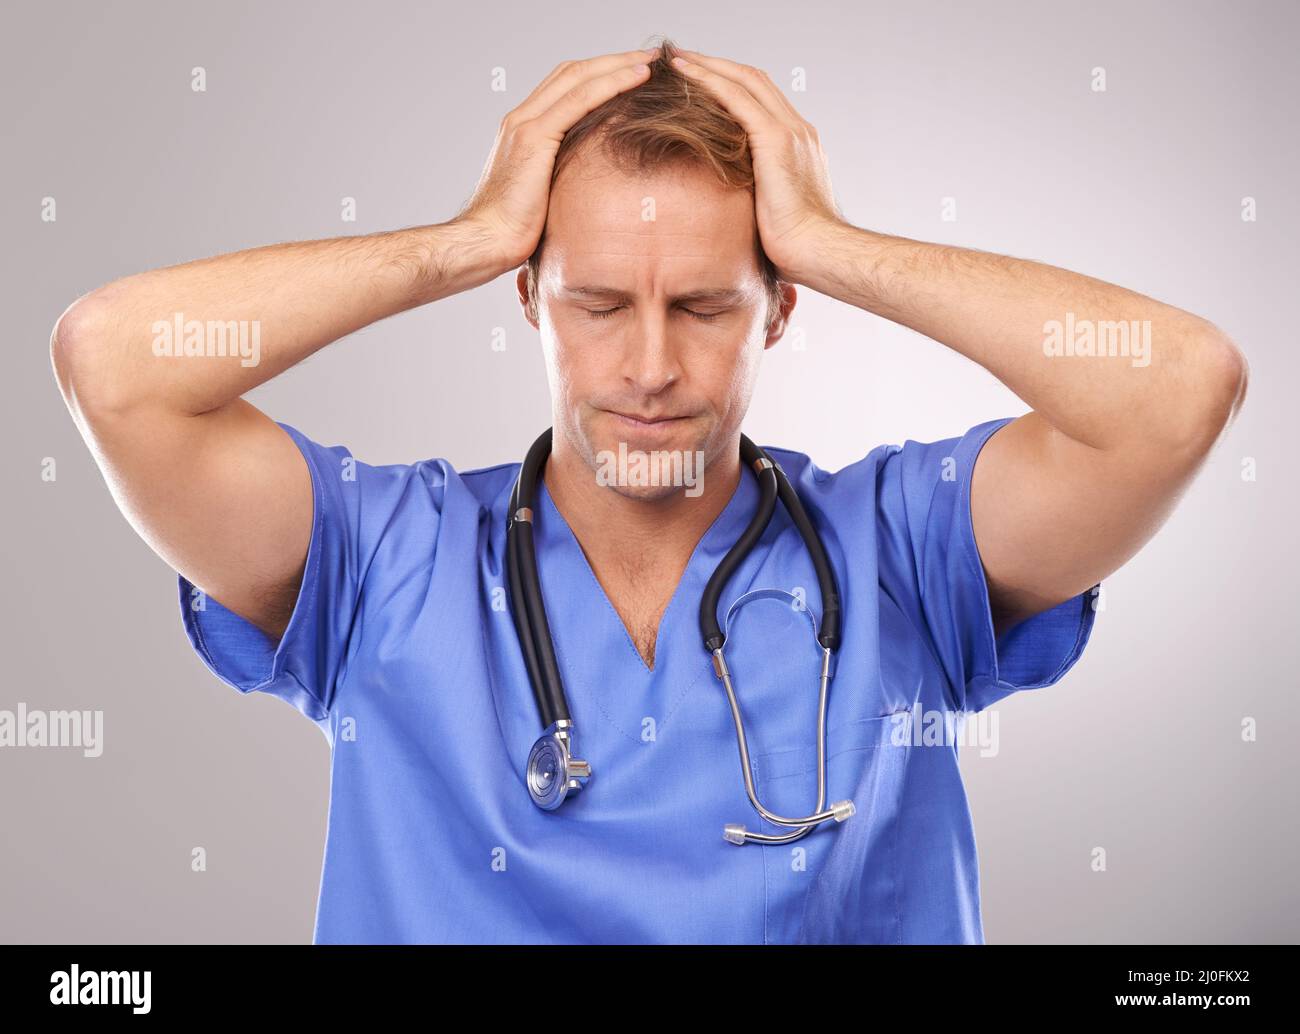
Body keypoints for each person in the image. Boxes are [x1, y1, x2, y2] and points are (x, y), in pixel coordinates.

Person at [48, 38, 1247, 944]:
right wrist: (463, 239)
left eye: (708, 303)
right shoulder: (380, 554)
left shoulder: (904, 548)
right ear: (527, 296)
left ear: (779, 306)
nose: (653, 365)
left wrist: (832, 243)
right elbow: (115, 363)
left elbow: (1177, 389)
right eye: (599, 301)